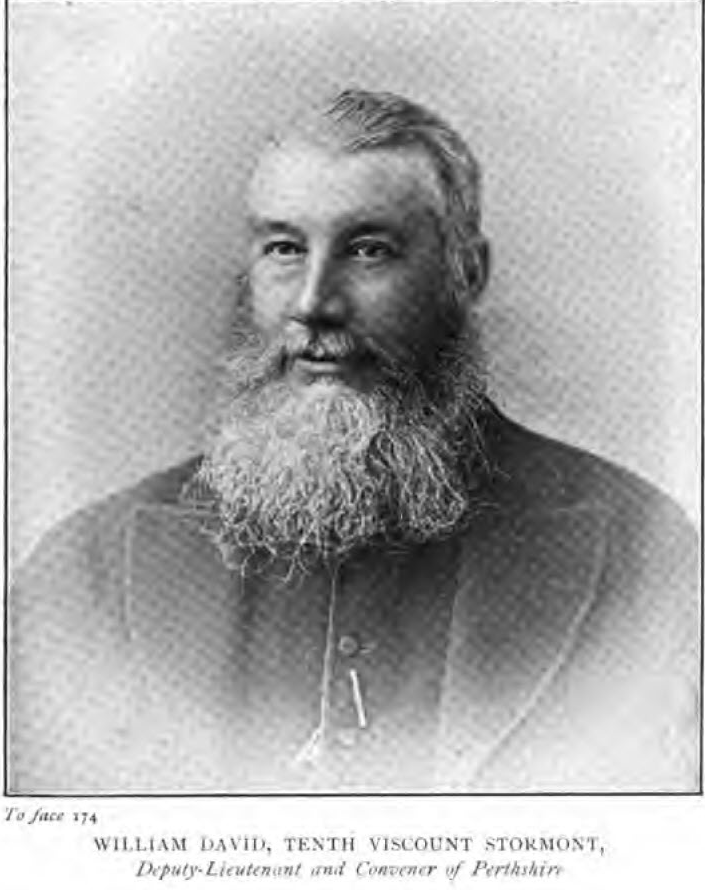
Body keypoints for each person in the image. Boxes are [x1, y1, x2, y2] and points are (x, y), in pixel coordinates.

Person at [9, 88, 699, 794]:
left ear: (466, 273)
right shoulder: (85, 571)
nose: (314, 303)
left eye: (369, 250)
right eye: (284, 249)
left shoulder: (644, 558)